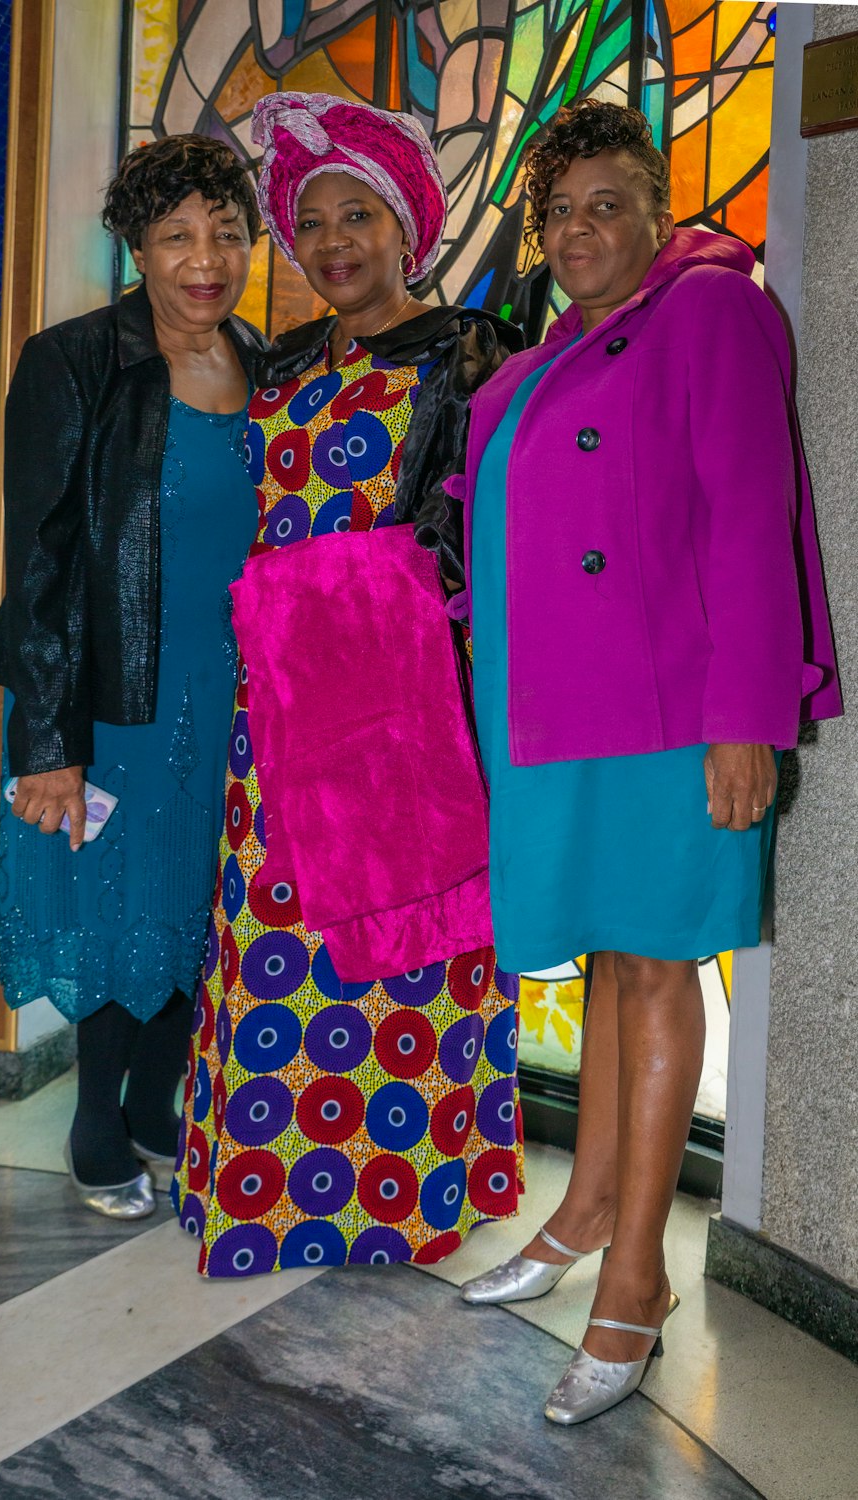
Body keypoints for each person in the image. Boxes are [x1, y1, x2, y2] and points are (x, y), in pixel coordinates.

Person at [456, 99, 841, 1422]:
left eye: (608, 203)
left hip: (673, 715)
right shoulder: (557, 352)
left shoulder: (710, 314)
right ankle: (582, 1215)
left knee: (660, 965)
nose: (579, 231)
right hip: (563, 718)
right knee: (618, 958)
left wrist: (746, 718)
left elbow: (749, 515)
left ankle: (636, 1285)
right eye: (560, 212)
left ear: (659, 210)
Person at [172, 91, 526, 1276]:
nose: (332, 242)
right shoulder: (278, 363)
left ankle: (402, 1191)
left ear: (407, 225)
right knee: (281, 941)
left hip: (400, 706)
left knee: (408, 945)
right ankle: (277, 1193)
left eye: (357, 214)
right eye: (310, 221)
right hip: (272, 712)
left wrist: (334, 599)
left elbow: (475, 529)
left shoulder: (469, 350)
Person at [0, 136, 267, 1218]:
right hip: (117, 693)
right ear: (136, 247)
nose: (206, 259)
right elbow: (41, 558)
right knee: (112, 903)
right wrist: (49, 744)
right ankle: (98, 1122)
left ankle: (157, 1108)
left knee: (196, 904)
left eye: (226, 233)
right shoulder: (74, 360)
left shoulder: (267, 364)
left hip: (234, 696)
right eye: (177, 236)